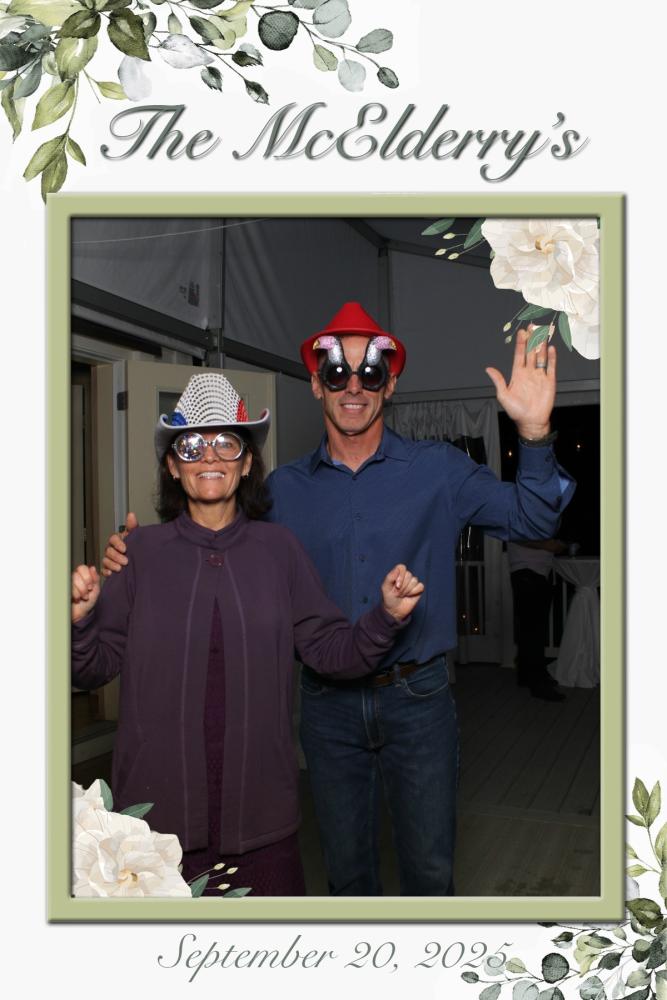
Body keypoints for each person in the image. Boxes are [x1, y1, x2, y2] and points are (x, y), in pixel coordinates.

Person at [103, 302, 575, 896]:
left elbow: (534, 518)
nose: (353, 386)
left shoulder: (439, 470)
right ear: (316, 384)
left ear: (389, 384)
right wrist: (132, 559)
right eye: (336, 372)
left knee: (430, 873)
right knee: (347, 875)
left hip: (418, 697)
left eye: (370, 373)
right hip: (326, 705)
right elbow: (214, 543)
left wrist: (533, 434)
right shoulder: (281, 491)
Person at [72, 371, 424, 897]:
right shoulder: (138, 554)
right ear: (172, 466)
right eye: (191, 446)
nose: (209, 457)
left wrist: (385, 617)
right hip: (155, 824)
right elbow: (93, 668)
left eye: (226, 443)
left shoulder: (279, 550)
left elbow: (331, 650)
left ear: (247, 462)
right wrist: (79, 623)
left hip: (262, 817)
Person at [507, 537, 569, 701]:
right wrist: (548, 545)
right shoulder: (519, 519)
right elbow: (516, 536)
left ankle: (526, 675)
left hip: (535, 572)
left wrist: (555, 544)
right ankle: (538, 684)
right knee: (534, 631)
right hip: (527, 572)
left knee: (529, 629)